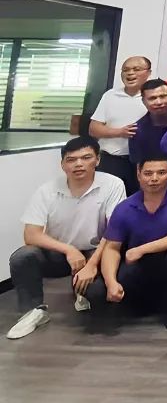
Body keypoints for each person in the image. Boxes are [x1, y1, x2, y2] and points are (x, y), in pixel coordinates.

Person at [6, 137, 126, 340]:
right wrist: (69, 250)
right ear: (63, 165)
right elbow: (31, 234)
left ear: (97, 160)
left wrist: (91, 265)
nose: (78, 164)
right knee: (23, 257)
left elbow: (114, 231)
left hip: (96, 251)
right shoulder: (47, 190)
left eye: (86, 158)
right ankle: (33, 312)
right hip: (62, 253)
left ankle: (82, 290)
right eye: (71, 159)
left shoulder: (113, 184)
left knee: (97, 296)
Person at [84, 154, 167, 330]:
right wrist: (111, 282)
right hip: (141, 264)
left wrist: (141, 249)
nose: (154, 178)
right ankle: (146, 304)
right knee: (98, 291)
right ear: (138, 175)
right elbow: (112, 248)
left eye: (161, 173)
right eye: (148, 173)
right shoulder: (124, 207)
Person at [89, 55, 151, 194]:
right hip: (111, 161)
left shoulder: (153, 97)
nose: (130, 73)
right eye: (126, 70)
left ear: (148, 73)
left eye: (136, 69)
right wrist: (120, 132)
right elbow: (93, 129)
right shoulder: (110, 95)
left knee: (139, 200)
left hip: (142, 163)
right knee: (107, 198)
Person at [128, 78, 167, 169]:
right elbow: (140, 166)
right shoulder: (137, 131)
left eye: (163, 96)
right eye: (152, 98)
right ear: (143, 101)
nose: (159, 102)